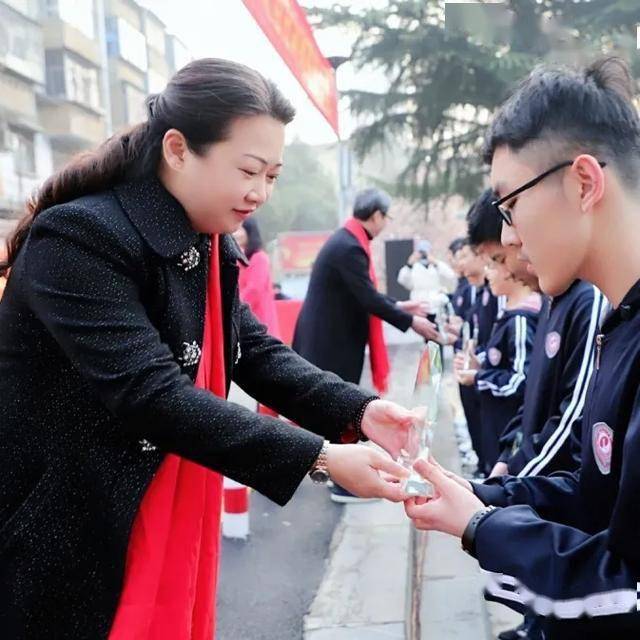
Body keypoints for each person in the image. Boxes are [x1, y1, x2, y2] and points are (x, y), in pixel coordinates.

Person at [0, 58, 418, 639]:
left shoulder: (207, 241)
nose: (261, 194)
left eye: (273, 175)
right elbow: (151, 393)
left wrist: (359, 411)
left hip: (152, 511)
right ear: (176, 149)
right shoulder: (80, 239)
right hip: (70, 528)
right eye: (249, 170)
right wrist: (320, 458)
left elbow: (251, 349)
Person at [406, 56, 640, 638]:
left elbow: (628, 589)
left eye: (511, 205)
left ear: (584, 182)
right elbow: (595, 492)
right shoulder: (621, 322)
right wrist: (483, 497)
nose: (507, 238)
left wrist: (484, 527)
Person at [292, 187, 441, 502]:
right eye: (386, 217)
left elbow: (365, 293)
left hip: (330, 338)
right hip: (330, 341)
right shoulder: (349, 247)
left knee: (337, 406)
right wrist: (411, 321)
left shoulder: (348, 241)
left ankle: (339, 476)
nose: (385, 223)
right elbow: (368, 297)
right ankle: (343, 481)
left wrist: (403, 308)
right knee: (337, 406)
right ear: (376, 216)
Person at [455, 189, 541, 475]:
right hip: (502, 434)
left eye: (496, 261)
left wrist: (479, 376)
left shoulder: (523, 317)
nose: (489, 271)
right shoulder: (506, 307)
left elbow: (522, 382)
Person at [233, 217, 280, 337]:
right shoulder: (239, 258)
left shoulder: (259, 257)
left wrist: (234, 308)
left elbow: (254, 290)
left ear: (250, 232)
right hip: (245, 317)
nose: (234, 234)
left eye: (239, 230)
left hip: (259, 318)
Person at [397, 238, 457, 311]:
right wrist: (409, 264)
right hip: (419, 306)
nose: (423, 255)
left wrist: (435, 262)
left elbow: (450, 276)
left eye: (425, 252)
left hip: (437, 305)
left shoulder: (437, 266)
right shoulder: (413, 268)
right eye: (421, 252)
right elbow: (402, 279)